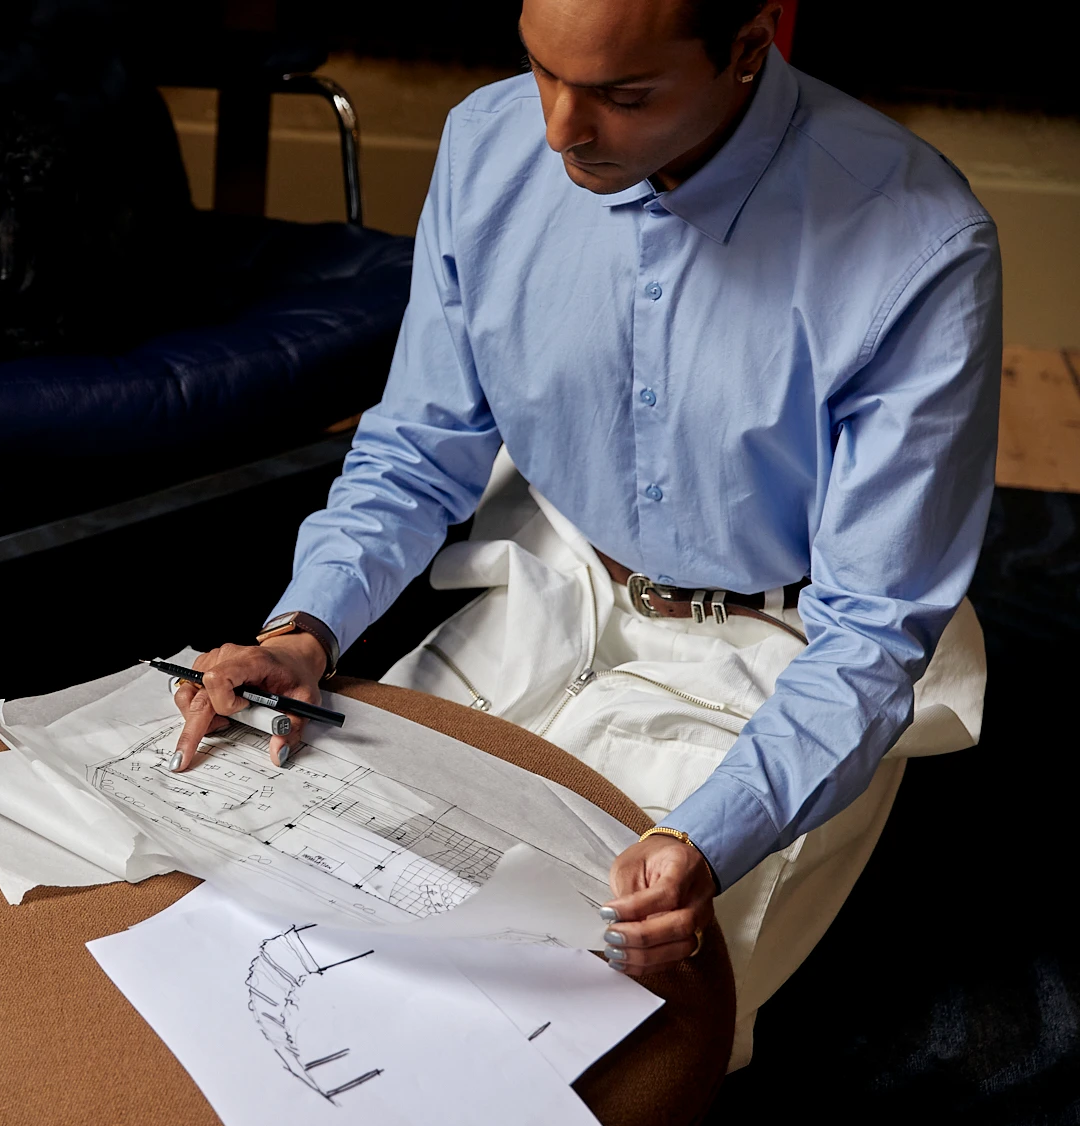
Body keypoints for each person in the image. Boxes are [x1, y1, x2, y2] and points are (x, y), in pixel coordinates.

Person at [169, 0, 998, 1067]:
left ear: (748, 49)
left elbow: (872, 633)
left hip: (785, 652)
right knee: (280, 902)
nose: (557, 130)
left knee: (580, 1043)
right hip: (546, 577)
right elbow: (417, 450)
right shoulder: (487, 143)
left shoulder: (921, 243)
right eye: (540, 69)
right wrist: (305, 630)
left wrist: (707, 837)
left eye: (622, 94)